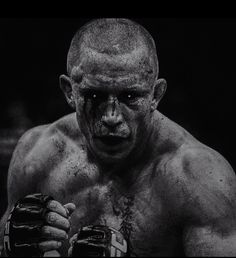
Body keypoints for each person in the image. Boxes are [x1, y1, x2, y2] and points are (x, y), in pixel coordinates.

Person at [1, 18, 236, 257]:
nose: (112, 116)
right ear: (69, 91)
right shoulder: (36, 155)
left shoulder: (200, 179)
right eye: (94, 95)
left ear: (156, 94)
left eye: (130, 96)